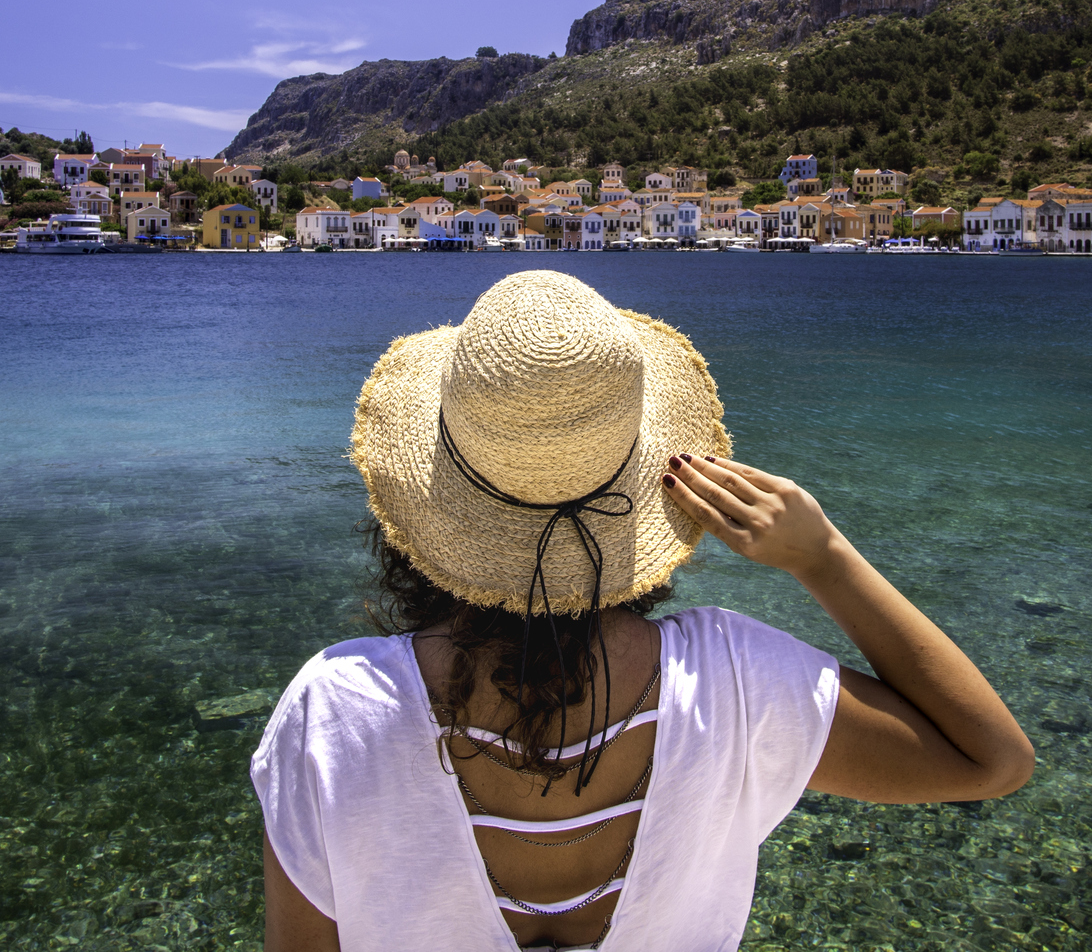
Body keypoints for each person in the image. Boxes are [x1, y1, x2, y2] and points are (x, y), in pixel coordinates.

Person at [253, 270, 1031, 952]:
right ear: (653, 482)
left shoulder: (336, 711)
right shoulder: (734, 682)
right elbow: (991, 763)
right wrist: (821, 557)